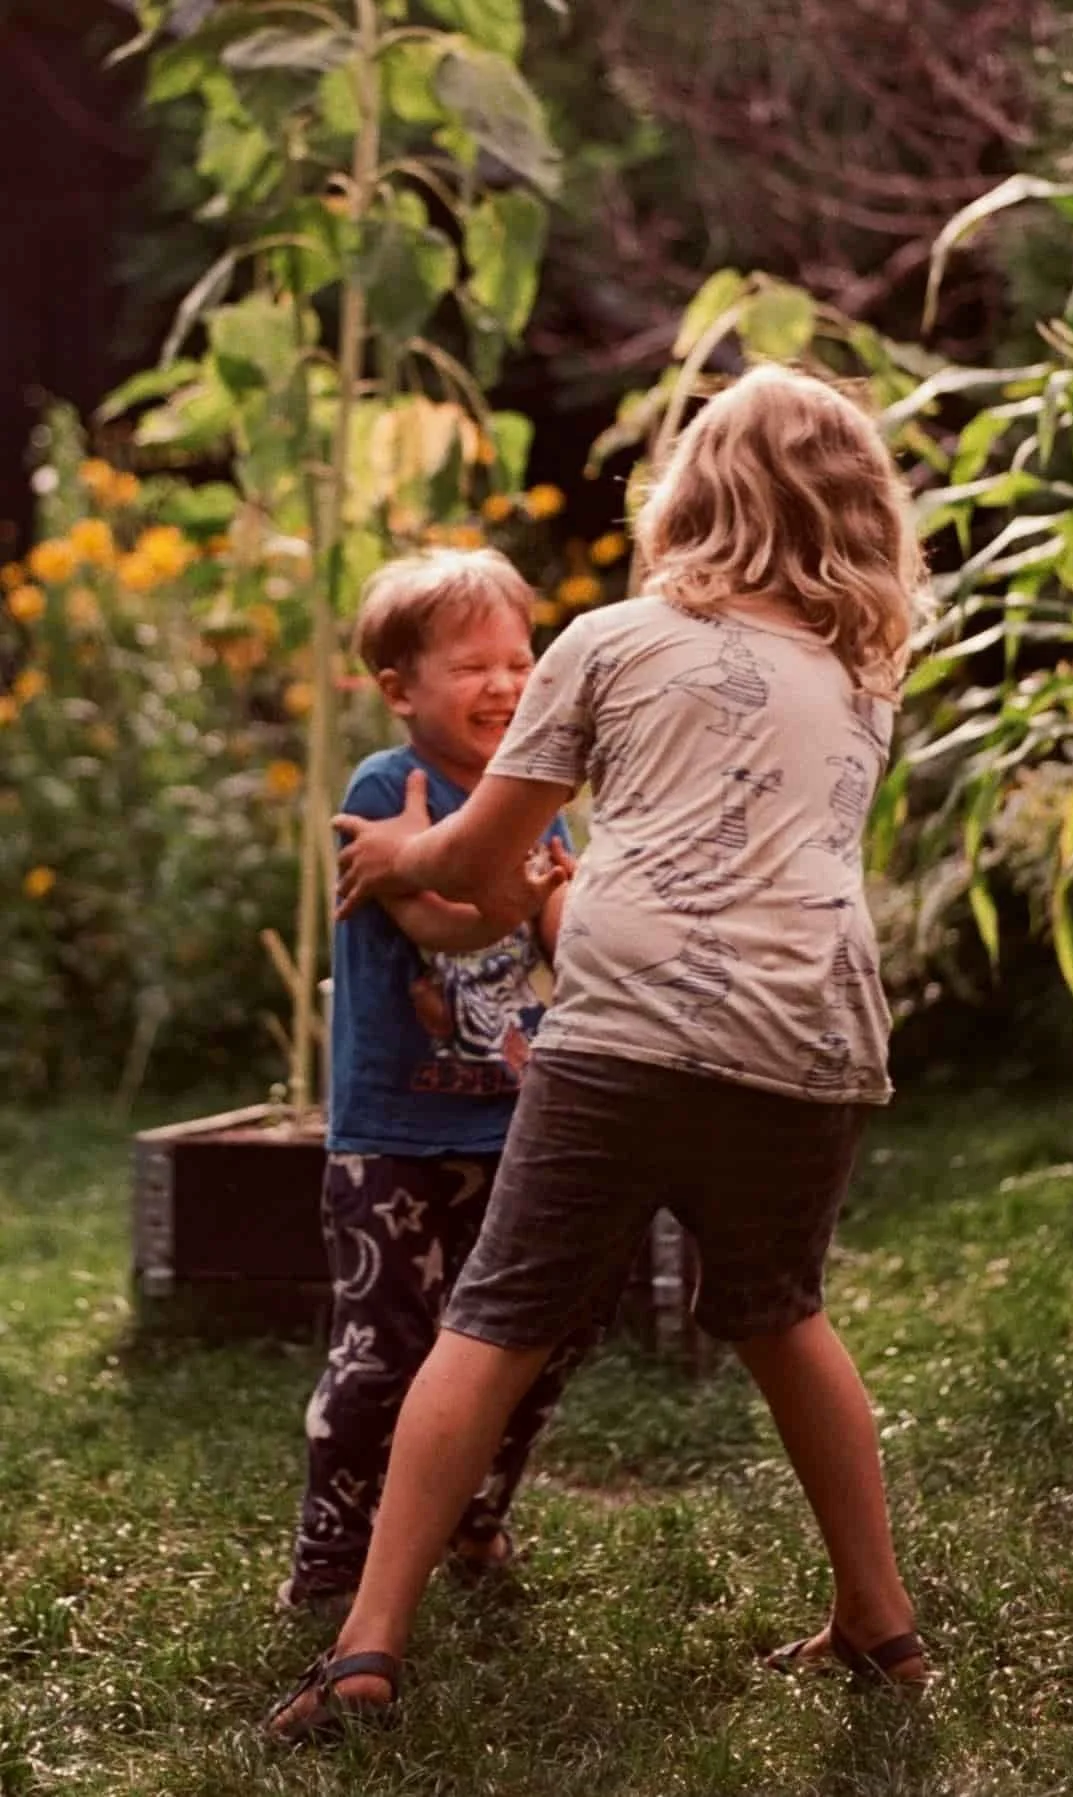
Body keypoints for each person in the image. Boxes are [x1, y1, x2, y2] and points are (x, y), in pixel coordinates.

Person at [269, 365, 930, 1738]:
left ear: (693, 488)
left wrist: (398, 848)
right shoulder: (861, 679)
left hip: (627, 1031)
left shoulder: (612, 641)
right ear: (857, 512)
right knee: (776, 1310)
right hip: (808, 1041)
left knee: (492, 1317)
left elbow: (475, 852)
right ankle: (880, 1618)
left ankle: (366, 1642)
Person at [278, 547, 585, 1617]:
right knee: (382, 1354)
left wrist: (569, 908)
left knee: (517, 1353)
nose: (505, 684)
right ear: (401, 690)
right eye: (471, 666)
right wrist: (519, 892)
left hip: (508, 1127)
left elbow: (561, 936)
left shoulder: (528, 800)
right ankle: (330, 1554)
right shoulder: (385, 786)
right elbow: (427, 916)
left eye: (519, 659)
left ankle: (475, 1516)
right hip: (393, 1138)